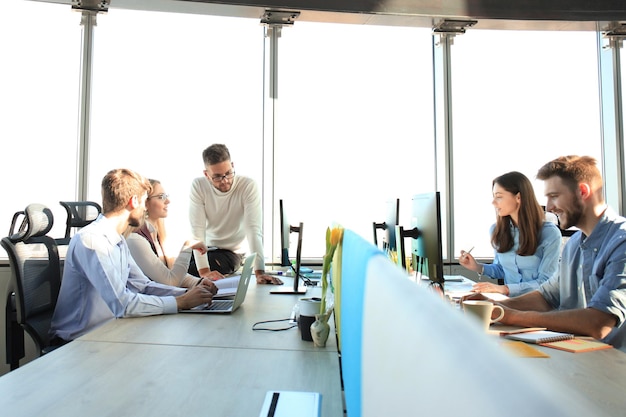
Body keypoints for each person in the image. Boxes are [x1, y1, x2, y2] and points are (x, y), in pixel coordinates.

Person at [49, 168, 217, 343]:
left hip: (109, 334)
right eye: (145, 202)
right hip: (78, 341)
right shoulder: (92, 241)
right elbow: (122, 304)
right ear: (134, 201)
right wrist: (180, 302)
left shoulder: (118, 241)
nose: (145, 209)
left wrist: (191, 293)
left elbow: (144, 286)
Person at [488, 156, 626, 350]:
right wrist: (493, 306)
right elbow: (546, 297)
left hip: (615, 366)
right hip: (583, 357)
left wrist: (512, 316)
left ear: (583, 192)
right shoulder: (574, 244)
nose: (550, 207)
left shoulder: (622, 242)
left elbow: (599, 322)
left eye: (554, 196)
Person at [189, 143, 282, 285]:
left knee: (189, 270)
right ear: (206, 174)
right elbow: (197, 231)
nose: (225, 180)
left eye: (228, 173)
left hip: (231, 253)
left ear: (232, 165)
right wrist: (204, 272)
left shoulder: (247, 186)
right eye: (217, 177)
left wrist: (260, 272)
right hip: (207, 249)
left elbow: (253, 230)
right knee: (177, 265)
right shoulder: (198, 186)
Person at [459, 171, 561, 297]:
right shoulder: (497, 230)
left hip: (538, 305)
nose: (493, 202)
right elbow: (502, 270)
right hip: (510, 303)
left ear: (518, 197)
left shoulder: (549, 233)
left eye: (499, 196)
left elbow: (546, 282)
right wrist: (477, 266)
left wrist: (505, 289)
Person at [126, 179, 224, 288]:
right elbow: (171, 282)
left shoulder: (158, 235)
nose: (168, 201)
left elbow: (176, 275)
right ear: (145, 203)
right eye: (161, 197)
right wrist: (188, 247)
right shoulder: (136, 239)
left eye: (166, 196)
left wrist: (201, 282)